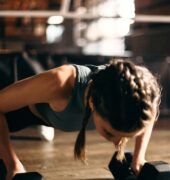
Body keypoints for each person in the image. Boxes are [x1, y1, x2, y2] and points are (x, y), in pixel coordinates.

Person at [0, 58, 161, 180]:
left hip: (51, 112)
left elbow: (151, 110)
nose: (118, 143)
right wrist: (12, 165)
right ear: (91, 103)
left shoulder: (140, 92)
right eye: (110, 133)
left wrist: (138, 157)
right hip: (15, 109)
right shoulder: (60, 83)